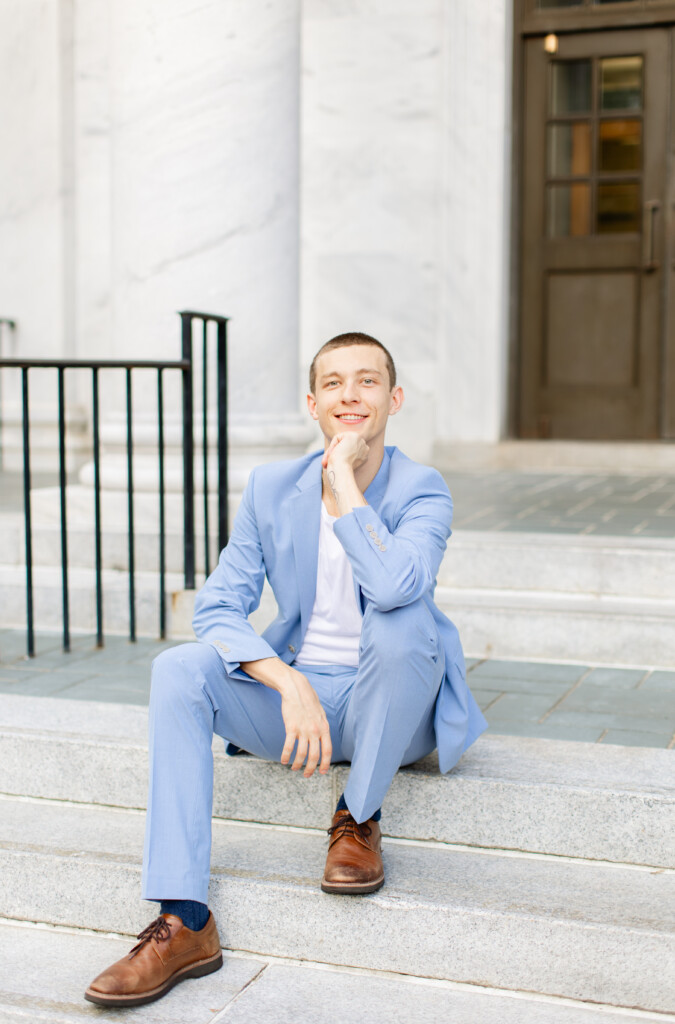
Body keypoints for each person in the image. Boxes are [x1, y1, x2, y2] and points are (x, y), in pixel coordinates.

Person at [84, 331, 488, 1008]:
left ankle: (357, 815)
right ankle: (183, 920)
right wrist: (285, 679)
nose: (349, 395)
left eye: (366, 381)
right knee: (179, 669)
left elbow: (393, 587)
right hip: (301, 708)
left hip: (395, 708)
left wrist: (341, 485)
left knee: (400, 622)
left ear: (393, 398)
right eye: (333, 383)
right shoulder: (271, 487)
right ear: (311, 402)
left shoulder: (423, 489)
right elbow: (216, 606)